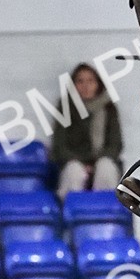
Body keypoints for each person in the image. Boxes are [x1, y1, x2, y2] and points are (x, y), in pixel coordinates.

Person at [51, 63, 123, 200]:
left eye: (90, 81)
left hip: (102, 160)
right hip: (74, 162)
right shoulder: (65, 108)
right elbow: (59, 146)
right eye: (80, 81)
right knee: (74, 171)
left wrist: (95, 164)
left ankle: (104, 215)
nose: (86, 86)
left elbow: (116, 144)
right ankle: (74, 217)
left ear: (98, 84)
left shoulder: (109, 108)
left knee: (105, 167)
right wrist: (85, 165)